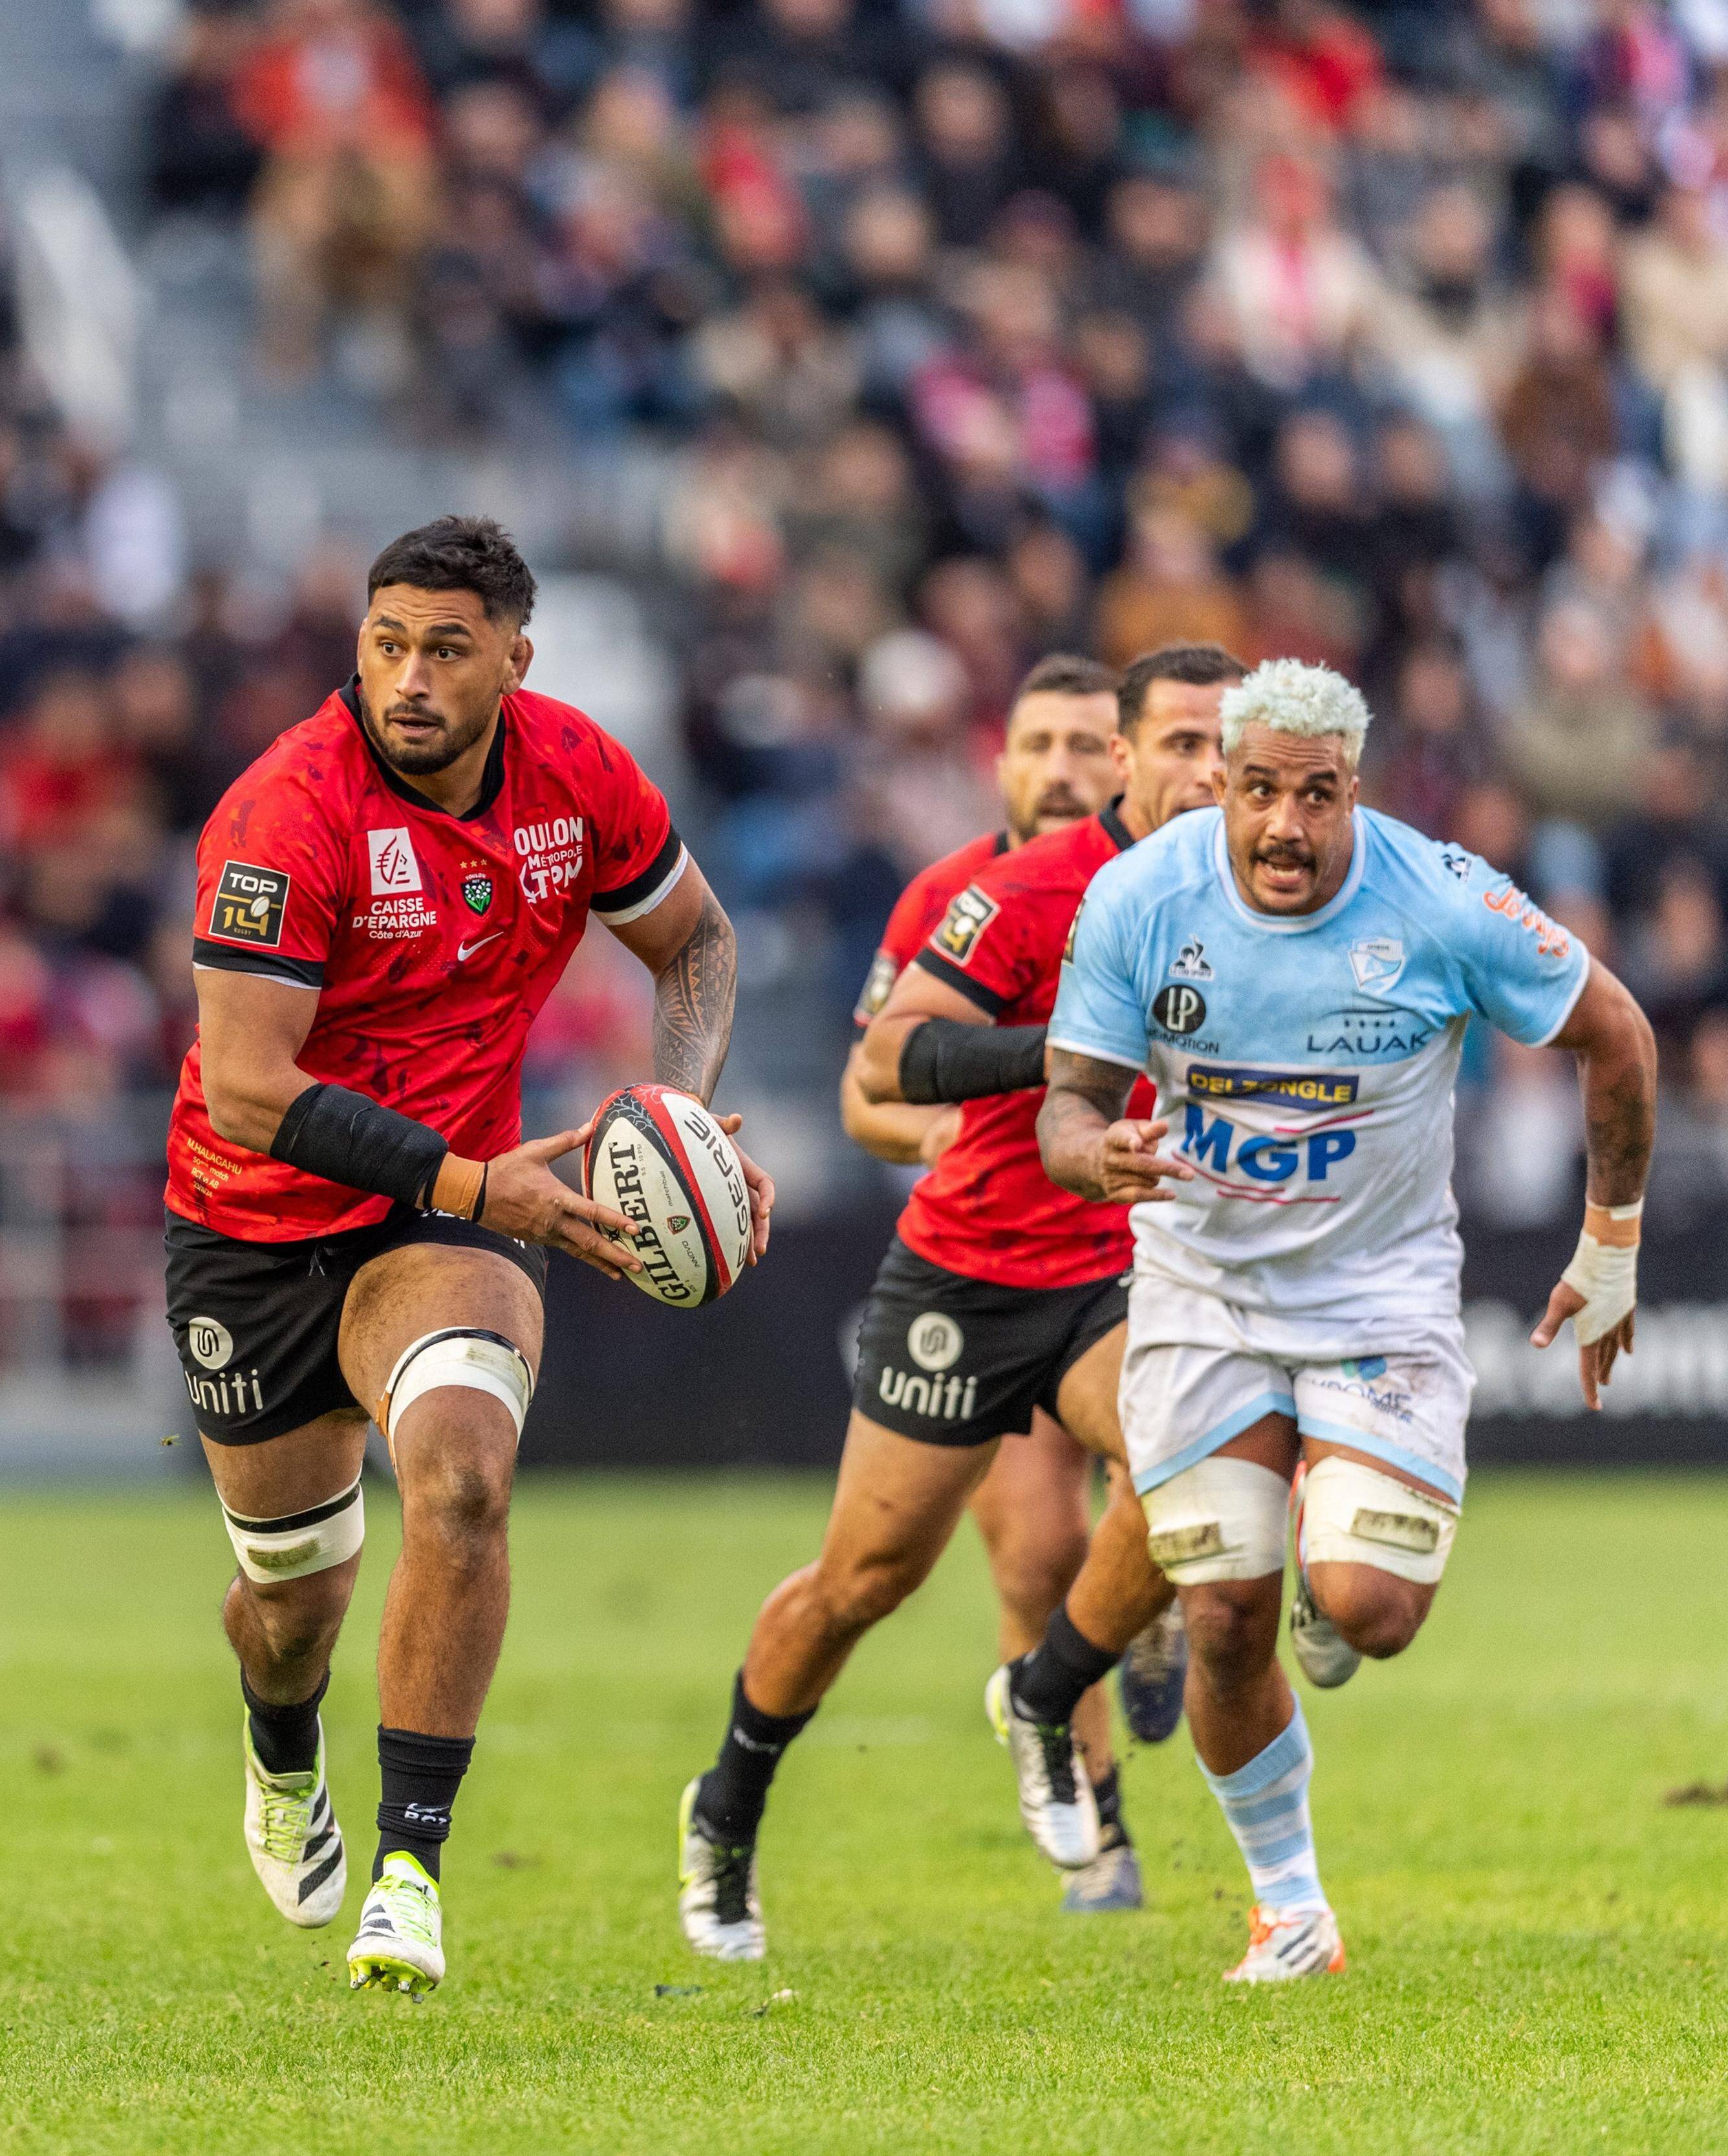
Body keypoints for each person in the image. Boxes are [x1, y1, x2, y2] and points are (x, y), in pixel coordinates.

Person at [167, 516, 771, 1996]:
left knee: (459, 1471)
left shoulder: (578, 772)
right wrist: (468, 1175)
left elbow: (695, 945)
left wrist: (673, 1107)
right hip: (255, 1225)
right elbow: (247, 1085)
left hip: (449, 1221)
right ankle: (280, 1743)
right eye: (387, 644)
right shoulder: (282, 811)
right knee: (291, 1608)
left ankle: (410, 1867)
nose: (410, 677)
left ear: (515, 656)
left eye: (446, 648)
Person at [1033, 659, 1656, 1982]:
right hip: (1201, 1298)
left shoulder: (1437, 897)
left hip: (1378, 1295)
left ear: (1352, 792)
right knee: (1217, 1613)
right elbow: (1065, 1104)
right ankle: (1290, 1906)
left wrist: (1610, 1244)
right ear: (1219, 781)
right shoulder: (1140, 897)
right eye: (1257, 789)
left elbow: (1620, 1035)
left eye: (1314, 797)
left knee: (1369, 1607)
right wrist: (1098, 1155)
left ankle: (1333, 1541)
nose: (1283, 826)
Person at [673, 644, 1233, 1959]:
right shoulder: (1001, 892)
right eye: (1175, 745)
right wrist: (1053, 1062)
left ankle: (1051, 1700)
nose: (1070, 768)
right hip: (971, 1274)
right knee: (866, 1577)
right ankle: (727, 1801)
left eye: (1088, 743)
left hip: (1120, 1264)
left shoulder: (1242, 889)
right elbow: (886, 1064)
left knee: (1192, 1460)